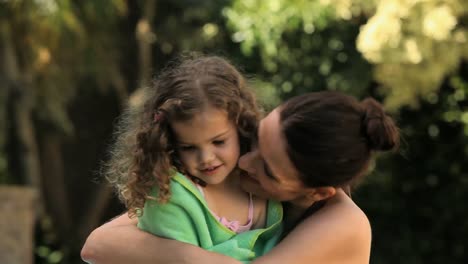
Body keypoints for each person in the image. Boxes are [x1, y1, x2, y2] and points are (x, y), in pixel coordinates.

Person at [82, 90, 399, 264]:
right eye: (255, 139)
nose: (245, 162)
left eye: (269, 170)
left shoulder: (345, 224)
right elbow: (100, 243)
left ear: (318, 193)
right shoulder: (251, 184)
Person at [99, 55, 283, 262]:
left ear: (241, 127)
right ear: (168, 143)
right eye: (188, 147)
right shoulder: (169, 196)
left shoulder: (263, 179)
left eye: (218, 142)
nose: (206, 158)